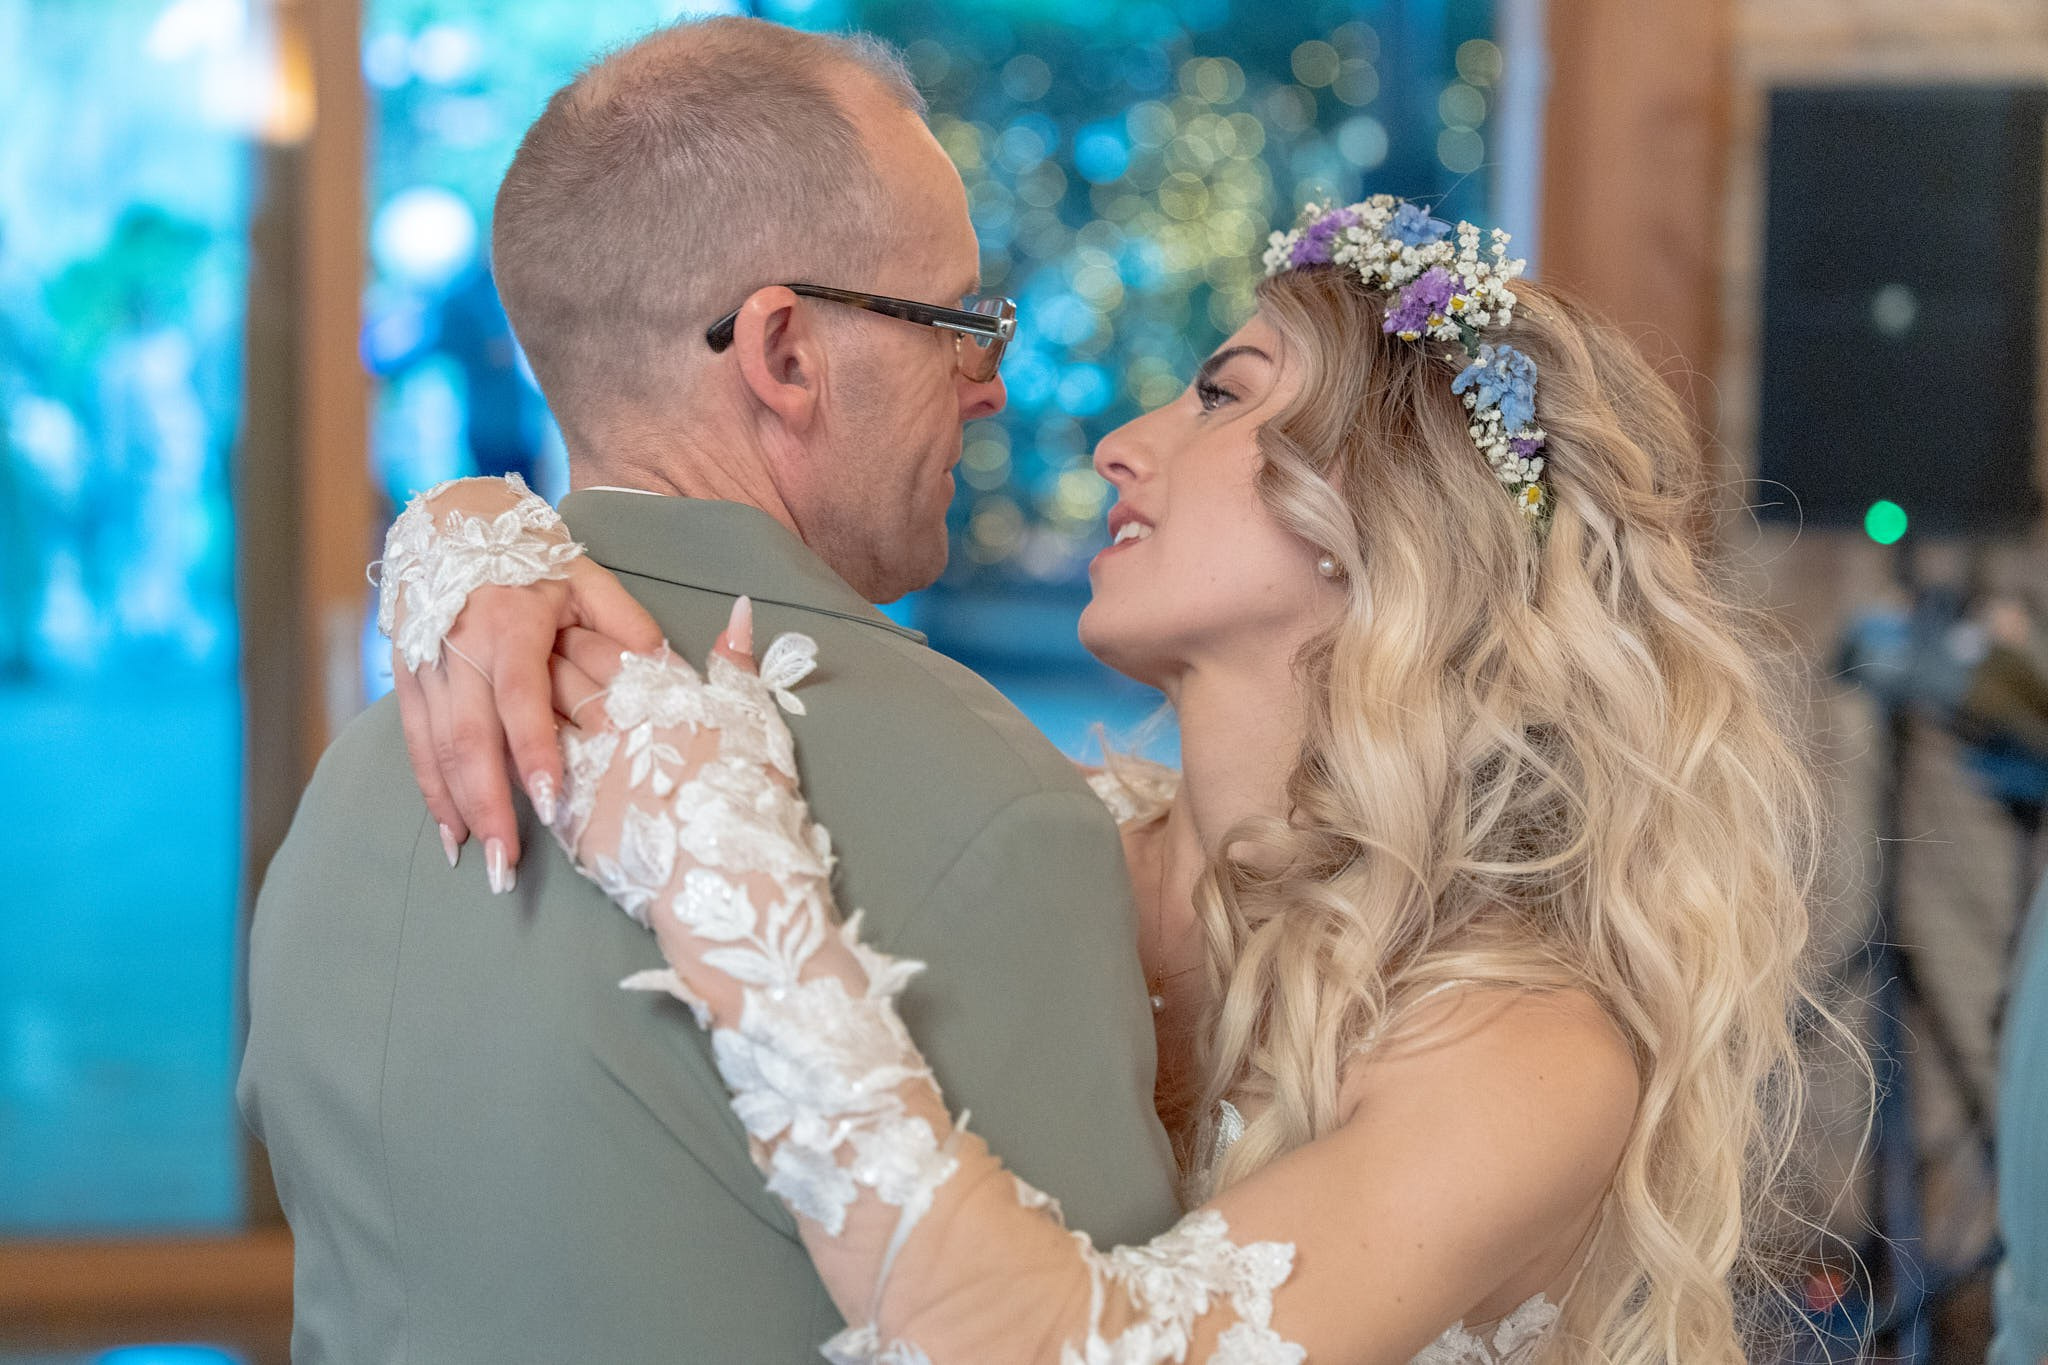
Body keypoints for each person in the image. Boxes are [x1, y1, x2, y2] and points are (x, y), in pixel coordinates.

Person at [395, 194, 1854, 1362]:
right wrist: (459, 546)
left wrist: (716, 864)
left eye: (1225, 393)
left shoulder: (1529, 1046)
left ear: (1392, 517)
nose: (1121, 443)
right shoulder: (1046, 843)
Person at [237, 19, 1181, 1363]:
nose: (990, 385)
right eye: (959, 323)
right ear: (785, 353)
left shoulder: (363, 776)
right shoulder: (990, 802)